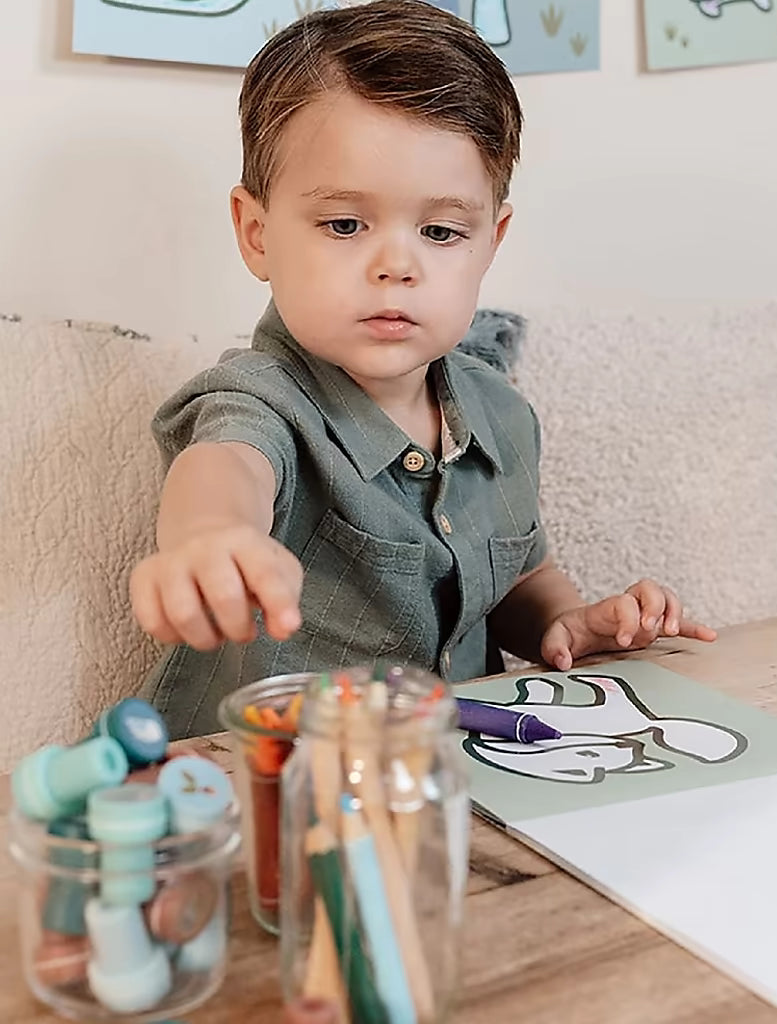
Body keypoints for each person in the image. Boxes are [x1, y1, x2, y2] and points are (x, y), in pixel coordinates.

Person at [130, 0, 716, 738]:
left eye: (440, 231)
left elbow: (519, 578)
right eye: (345, 224)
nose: (396, 265)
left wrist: (564, 622)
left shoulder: (500, 412)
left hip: (435, 776)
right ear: (257, 234)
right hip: (254, 776)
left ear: (492, 241)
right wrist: (211, 540)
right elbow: (225, 469)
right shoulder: (260, 400)